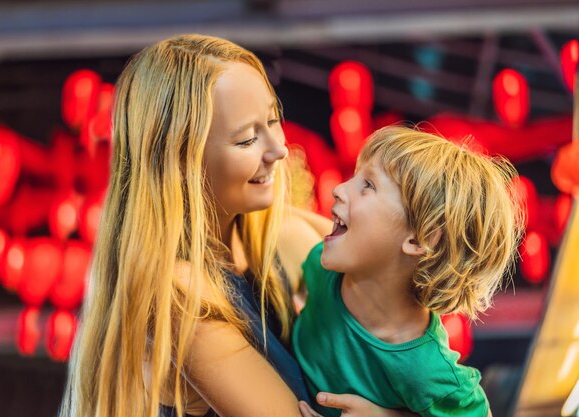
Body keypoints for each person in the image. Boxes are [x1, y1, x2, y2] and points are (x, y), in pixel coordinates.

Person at [58, 34, 416, 417]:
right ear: (182, 161)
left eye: (274, 120)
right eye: (247, 139)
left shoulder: (281, 233)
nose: (279, 148)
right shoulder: (178, 296)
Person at [293, 126, 524, 417]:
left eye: (368, 185)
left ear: (419, 239)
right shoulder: (322, 266)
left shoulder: (426, 371)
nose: (338, 189)